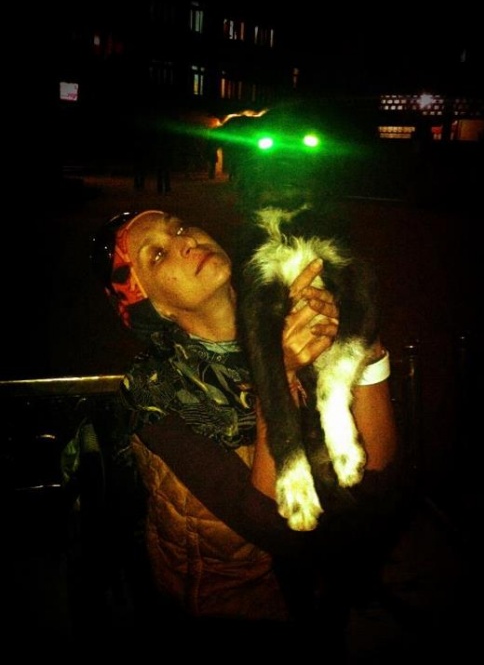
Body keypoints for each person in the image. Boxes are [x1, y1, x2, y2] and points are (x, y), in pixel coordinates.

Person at [90, 208, 404, 639]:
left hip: (322, 598)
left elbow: (378, 474)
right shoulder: (154, 391)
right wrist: (278, 373)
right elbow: (269, 524)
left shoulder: (289, 317)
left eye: (180, 227)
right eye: (158, 255)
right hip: (231, 622)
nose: (185, 241)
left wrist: (357, 333)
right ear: (153, 305)